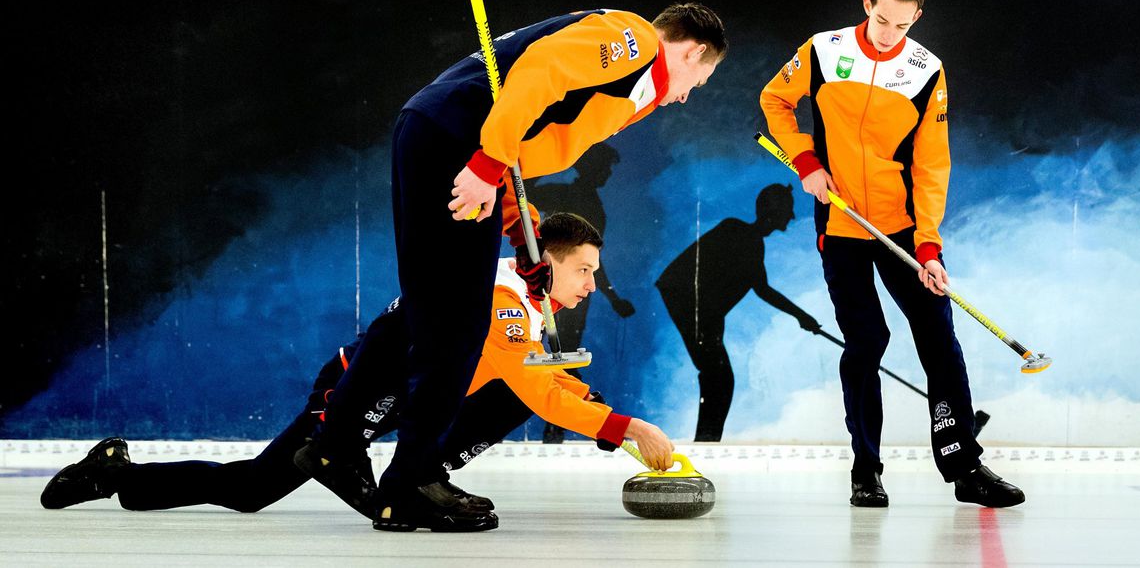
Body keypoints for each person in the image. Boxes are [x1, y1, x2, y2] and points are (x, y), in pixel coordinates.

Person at [307, 2, 726, 531]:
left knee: (432, 311)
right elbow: (539, 73)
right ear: (692, 51)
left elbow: (519, 154)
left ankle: (344, 452)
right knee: (458, 325)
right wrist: (483, 164)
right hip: (458, 142)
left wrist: (524, 243)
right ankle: (407, 482)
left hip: (449, 138)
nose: (686, 96)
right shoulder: (632, 40)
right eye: (699, 79)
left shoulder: (626, 90)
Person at [40, 213, 675, 532]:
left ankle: (421, 476)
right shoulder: (505, 301)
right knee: (253, 490)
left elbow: (538, 381)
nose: (593, 284)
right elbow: (539, 386)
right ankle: (116, 472)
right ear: (550, 262)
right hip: (354, 390)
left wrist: (609, 420)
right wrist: (625, 428)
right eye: (584, 270)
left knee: (516, 398)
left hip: (409, 398)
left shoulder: (530, 303)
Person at [759, 0, 1024, 508]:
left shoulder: (928, 71)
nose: (888, 35)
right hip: (840, 221)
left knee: (939, 340)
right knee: (867, 342)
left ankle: (964, 467)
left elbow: (932, 164)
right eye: (882, 20)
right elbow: (774, 102)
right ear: (866, 4)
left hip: (901, 229)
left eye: (901, 26)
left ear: (917, 18)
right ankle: (866, 471)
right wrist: (806, 159)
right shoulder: (823, 50)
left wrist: (928, 244)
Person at [656, 183, 822, 442]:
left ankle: (707, 441)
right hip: (689, 302)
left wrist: (802, 316)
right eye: (787, 210)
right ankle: (706, 443)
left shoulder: (750, 239)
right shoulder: (738, 231)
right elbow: (761, 288)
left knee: (719, 379)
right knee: (719, 379)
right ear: (772, 211)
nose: (791, 216)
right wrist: (802, 316)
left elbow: (759, 287)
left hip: (699, 309)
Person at [528, 144, 636, 444]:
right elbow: (523, 194)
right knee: (557, 356)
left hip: (560, 292)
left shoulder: (582, 200)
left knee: (562, 356)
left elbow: (591, 266)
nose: (608, 173)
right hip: (550, 290)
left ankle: (561, 425)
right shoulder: (578, 199)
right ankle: (566, 423)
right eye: (605, 167)